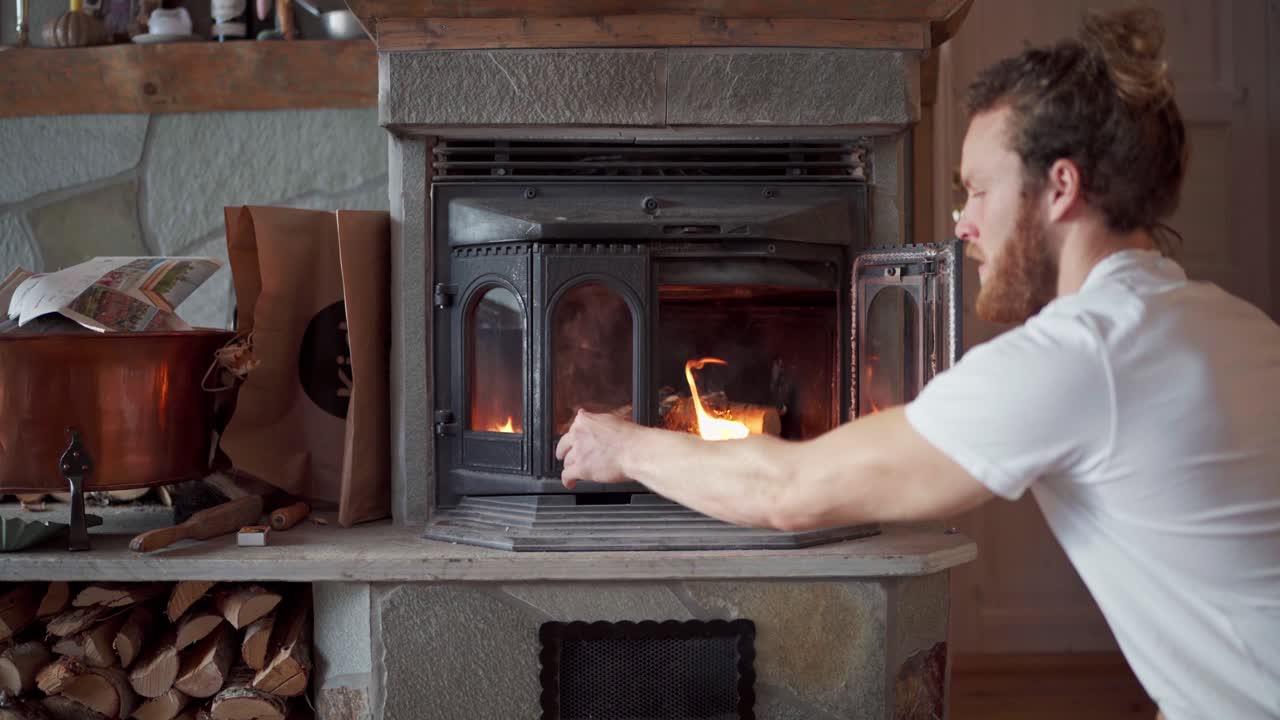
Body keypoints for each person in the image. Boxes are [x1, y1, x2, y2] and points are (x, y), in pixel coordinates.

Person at [555, 8, 1280, 720]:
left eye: (979, 190)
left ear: (1060, 188)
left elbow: (790, 488)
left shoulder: (1082, 355)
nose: (961, 222)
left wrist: (625, 445)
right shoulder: (1232, 323)